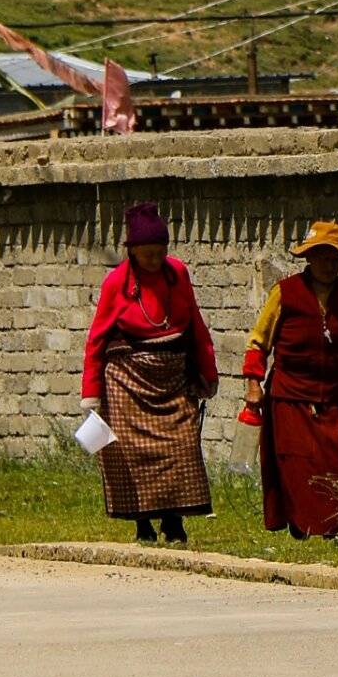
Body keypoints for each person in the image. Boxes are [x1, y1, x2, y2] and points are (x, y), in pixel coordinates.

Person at [81, 202, 217, 544]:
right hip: (128, 378)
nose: (155, 260)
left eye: (160, 252)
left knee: (182, 446)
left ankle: (174, 521)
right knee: (133, 453)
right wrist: (91, 390)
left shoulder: (178, 274)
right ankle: (142, 523)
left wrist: (207, 372)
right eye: (147, 254)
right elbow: (97, 338)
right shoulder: (116, 283)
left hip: (173, 375)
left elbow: (196, 326)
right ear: (132, 252)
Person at [243, 219, 338, 541]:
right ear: (309, 258)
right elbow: (259, 341)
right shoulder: (285, 293)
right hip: (292, 392)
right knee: (297, 462)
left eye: (335, 260)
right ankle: (300, 524)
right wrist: (253, 384)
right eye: (322, 257)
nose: (329, 265)